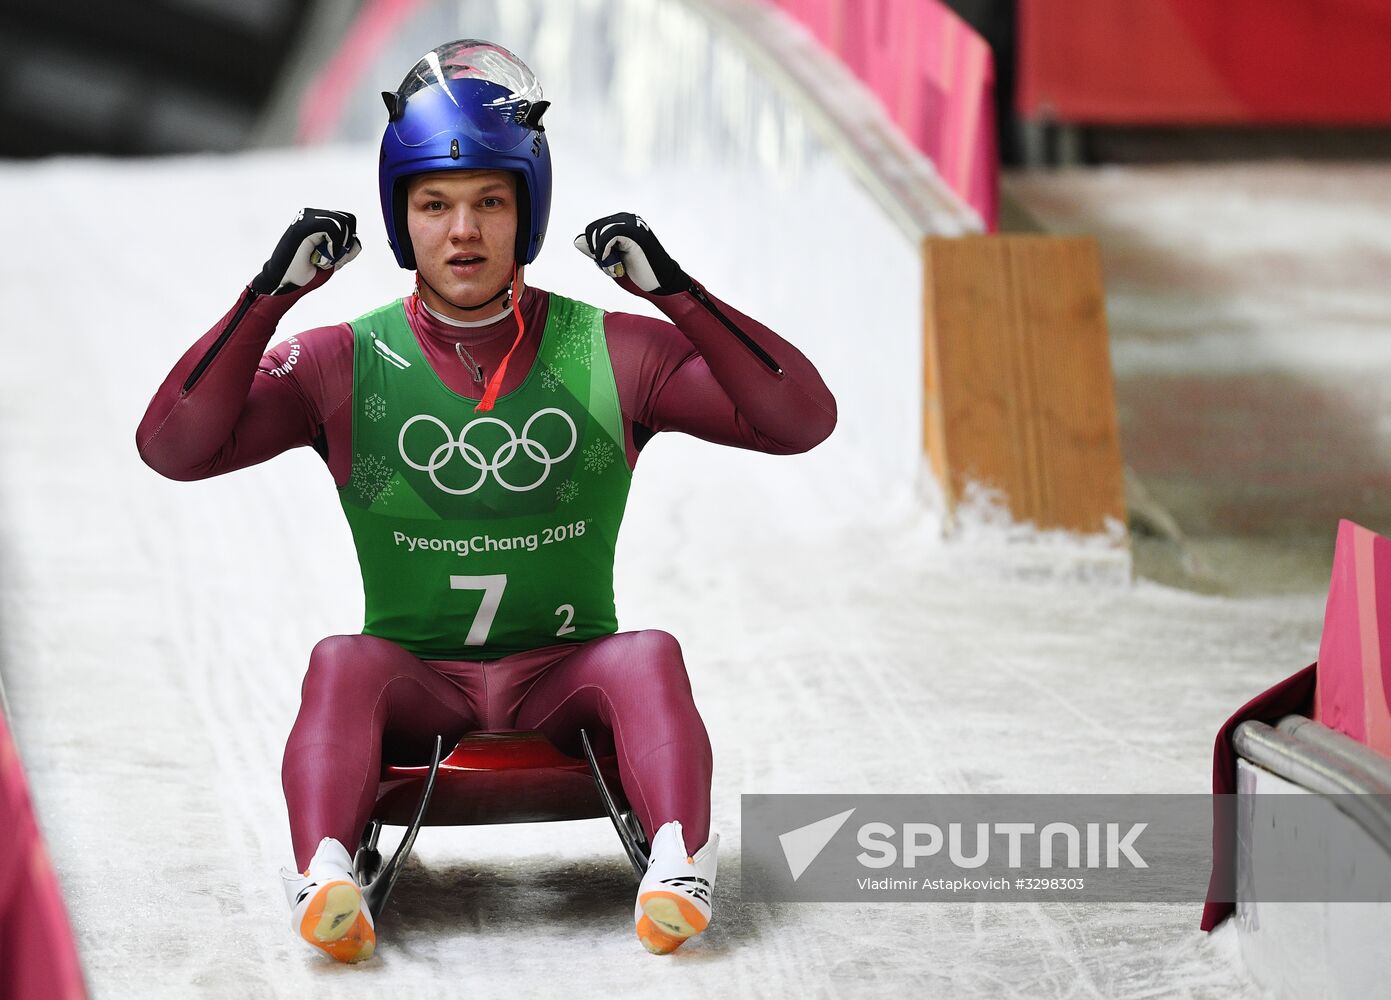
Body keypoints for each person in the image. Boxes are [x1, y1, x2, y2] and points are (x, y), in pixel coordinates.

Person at [137, 39, 836, 963]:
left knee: (649, 654)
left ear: (526, 213)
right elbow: (173, 447)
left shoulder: (610, 349)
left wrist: (678, 295)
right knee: (341, 660)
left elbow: (799, 420)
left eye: (489, 203)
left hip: (565, 679)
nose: (462, 232)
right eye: (434, 205)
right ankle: (324, 875)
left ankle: (678, 865)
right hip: (417, 685)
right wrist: (266, 299)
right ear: (402, 219)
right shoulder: (342, 360)